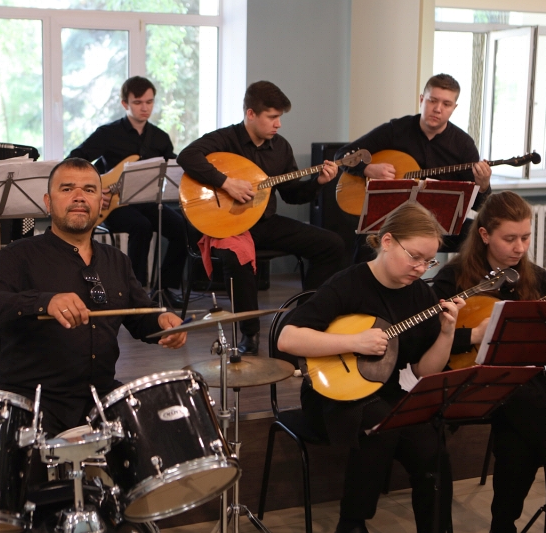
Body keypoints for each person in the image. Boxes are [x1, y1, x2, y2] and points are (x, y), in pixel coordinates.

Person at [277, 202, 461, 533]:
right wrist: (353, 342)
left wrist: (447, 333)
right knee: (380, 425)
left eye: (429, 261)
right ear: (387, 241)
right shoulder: (348, 284)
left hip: (389, 391)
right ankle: (352, 523)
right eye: (414, 257)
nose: (421, 268)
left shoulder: (420, 294)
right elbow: (287, 339)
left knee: (430, 445)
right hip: (331, 395)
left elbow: (424, 371)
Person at [0, 158, 186, 435]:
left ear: (101, 203)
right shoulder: (18, 254)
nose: (80, 196)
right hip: (33, 402)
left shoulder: (117, 260)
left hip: (101, 399)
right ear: (48, 203)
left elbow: (140, 315)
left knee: (164, 434)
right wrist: (44, 302)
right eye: (67, 189)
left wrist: (162, 321)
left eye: (90, 190)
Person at [431, 191, 546, 533]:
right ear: (484, 234)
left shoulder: (535, 277)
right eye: (510, 239)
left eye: (525, 237)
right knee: (529, 408)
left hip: (519, 389)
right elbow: (426, 340)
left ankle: (503, 526)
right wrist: (474, 335)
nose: (520, 248)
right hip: (467, 382)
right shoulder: (453, 278)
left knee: (521, 431)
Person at [177, 81, 345, 354]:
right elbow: (187, 156)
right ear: (251, 114)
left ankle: (303, 320)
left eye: (280, 117)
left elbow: (292, 194)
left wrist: (318, 183)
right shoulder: (226, 139)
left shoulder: (280, 148)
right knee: (237, 257)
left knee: (332, 244)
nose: (278, 124)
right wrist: (226, 183)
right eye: (272, 117)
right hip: (229, 225)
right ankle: (250, 334)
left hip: (265, 223)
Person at [336, 73, 493, 259]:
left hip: (438, 223)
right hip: (393, 219)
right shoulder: (396, 130)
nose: (438, 109)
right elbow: (342, 155)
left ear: (454, 108)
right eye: (432, 101)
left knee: (485, 237)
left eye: (446, 104)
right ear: (421, 99)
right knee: (367, 242)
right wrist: (367, 169)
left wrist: (483, 185)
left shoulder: (463, 145)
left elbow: (479, 205)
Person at [68, 76, 187, 308]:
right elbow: (74, 159)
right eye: (138, 102)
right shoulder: (108, 133)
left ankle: (164, 288)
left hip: (147, 201)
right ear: (125, 104)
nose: (145, 108)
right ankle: (135, 291)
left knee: (181, 228)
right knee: (141, 226)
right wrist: (94, 190)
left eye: (149, 102)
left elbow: (173, 167)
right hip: (113, 205)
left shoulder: (160, 138)